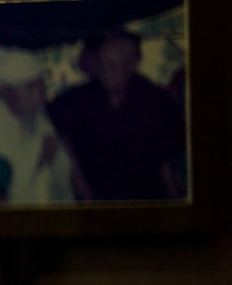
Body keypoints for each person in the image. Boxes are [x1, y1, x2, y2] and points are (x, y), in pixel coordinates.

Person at [48, 29, 185, 201]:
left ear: (132, 64)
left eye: (113, 65)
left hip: (146, 197)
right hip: (94, 198)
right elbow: (61, 136)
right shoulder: (77, 100)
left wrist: (173, 192)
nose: (105, 72)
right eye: (101, 65)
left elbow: (164, 156)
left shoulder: (155, 100)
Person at [0, 49, 76, 205]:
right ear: (5, 91)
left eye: (41, 87)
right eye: (30, 87)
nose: (39, 95)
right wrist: (39, 154)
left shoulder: (38, 117)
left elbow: (64, 168)